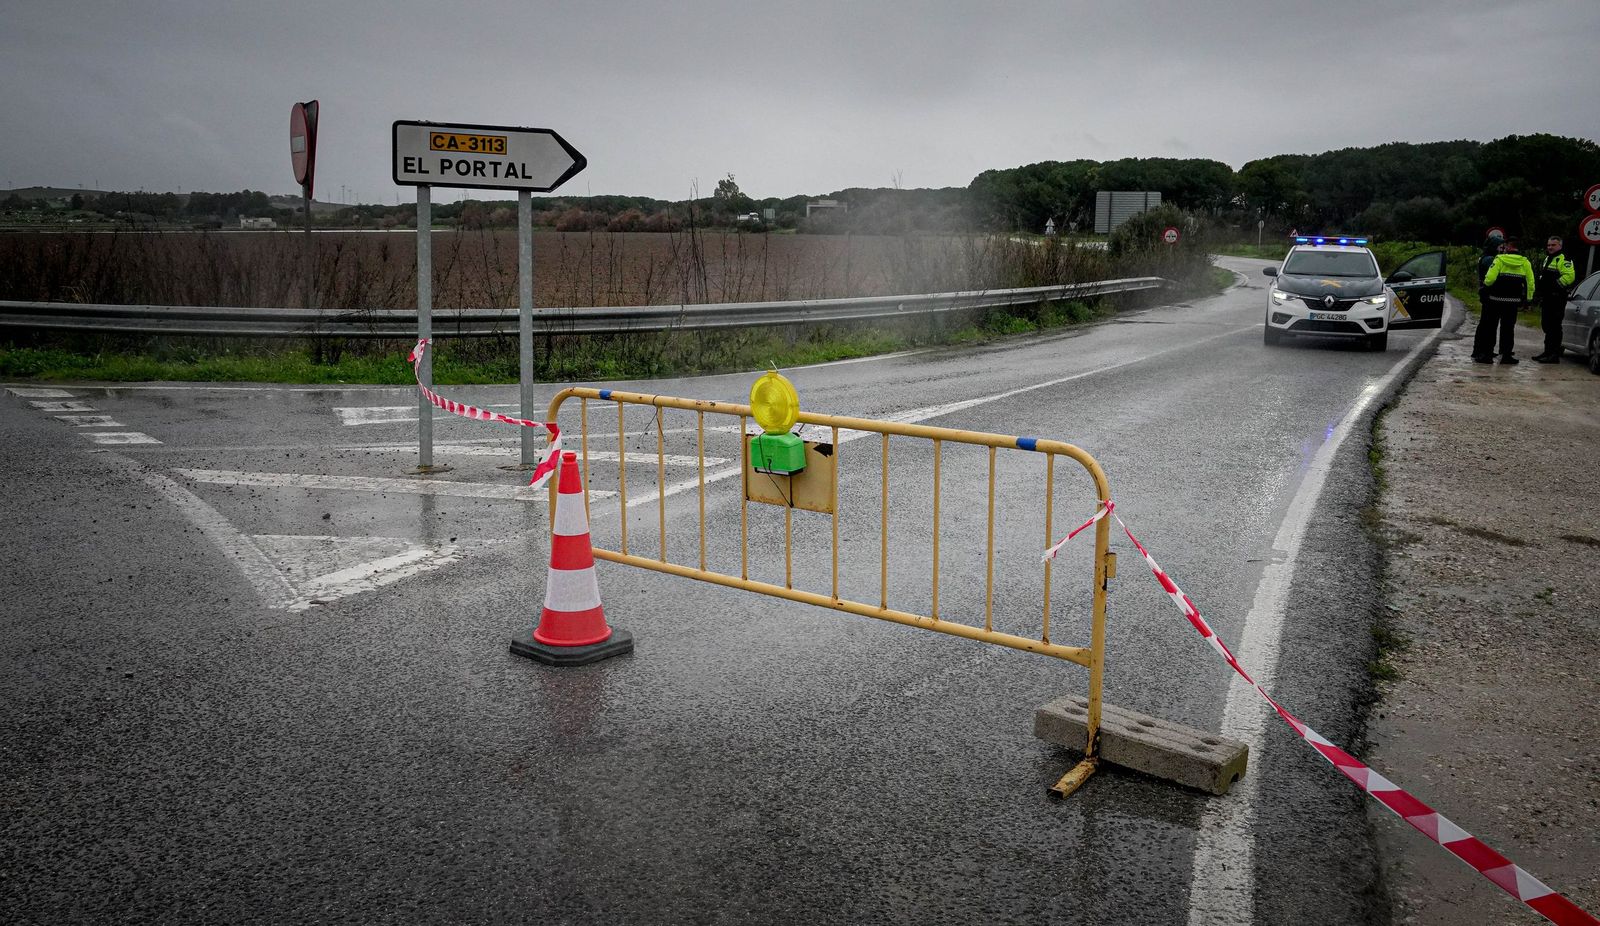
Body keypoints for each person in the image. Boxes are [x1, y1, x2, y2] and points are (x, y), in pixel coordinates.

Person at [1475, 237, 1535, 364]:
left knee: (1491, 327)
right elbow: (1531, 283)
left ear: (1508, 247)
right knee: (1508, 328)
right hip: (1513, 302)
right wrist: (1528, 300)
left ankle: (1487, 355)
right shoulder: (1525, 262)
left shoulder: (1499, 260)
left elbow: (1489, 279)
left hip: (1495, 300)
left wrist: (1486, 286)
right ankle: (1506, 355)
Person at [1532, 235, 1576, 363]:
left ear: (1560, 246)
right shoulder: (1548, 258)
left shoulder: (1563, 259)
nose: (1550, 247)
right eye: (1548, 245)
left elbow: (1569, 276)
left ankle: (1554, 355)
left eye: (1553, 245)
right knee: (1546, 326)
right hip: (1547, 299)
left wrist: (1555, 288)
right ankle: (1547, 352)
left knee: (1554, 327)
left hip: (1556, 299)